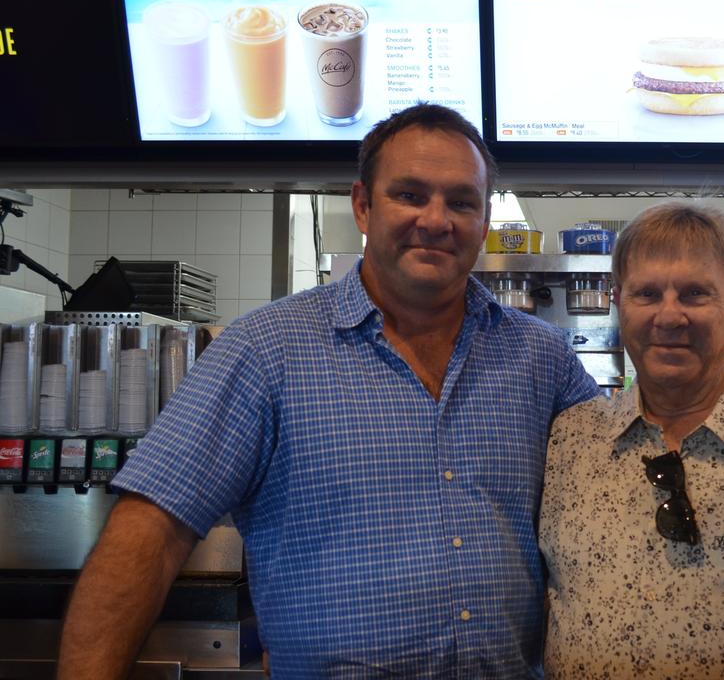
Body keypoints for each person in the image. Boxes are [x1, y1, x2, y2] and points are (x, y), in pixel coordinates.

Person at [57, 103, 600, 678]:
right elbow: (152, 531)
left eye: (461, 201)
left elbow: (626, 478)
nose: (437, 220)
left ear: (484, 218)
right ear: (363, 205)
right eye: (411, 195)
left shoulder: (542, 358)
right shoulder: (266, 350)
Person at [539, 202, 724, 679]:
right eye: (648, 293)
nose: (670, 315)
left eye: (696, 294)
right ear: (619, 302)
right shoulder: (567, 442)